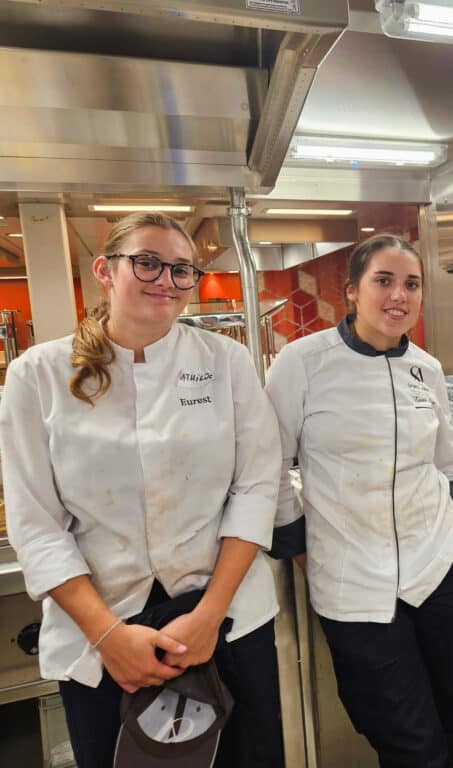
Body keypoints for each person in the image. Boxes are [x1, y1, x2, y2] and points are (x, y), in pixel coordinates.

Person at [0, 212, 285, 767]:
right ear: (105, 270)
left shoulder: (224, 360)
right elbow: (36, 523)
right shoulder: (37, 374)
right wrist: (108, 637)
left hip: (225, 618)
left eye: (183, 270)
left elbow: (255, 487)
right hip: (104, 629)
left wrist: (208, 617)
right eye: (148, 262)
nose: (166, 280)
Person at [265, 234, 453, 768]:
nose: (399, 295)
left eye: (411, 284)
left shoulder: (425, 369)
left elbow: (448, 463)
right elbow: (267, 469)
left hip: (442, 566)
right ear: (352, 292)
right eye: (383, 281)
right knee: (409, 742)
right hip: (355, 583)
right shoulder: (302, 362)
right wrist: (300, 545)